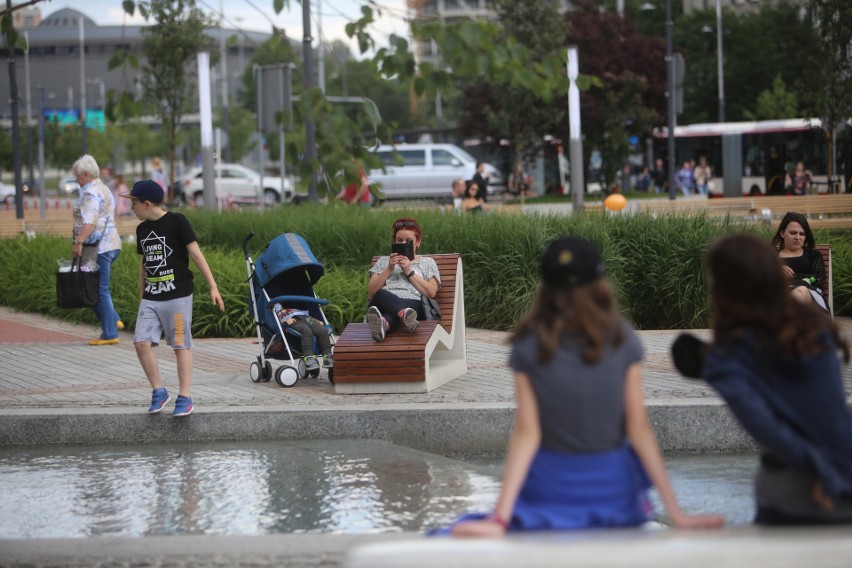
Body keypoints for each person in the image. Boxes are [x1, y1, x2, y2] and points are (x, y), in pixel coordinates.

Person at [449, 237, 724, 537]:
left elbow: (527, 434)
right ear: (600, 283)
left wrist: (500, 518)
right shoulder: (621, 337)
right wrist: (676, 514)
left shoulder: (529, 343)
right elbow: (638, 428)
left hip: (550, 492)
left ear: (545, 288)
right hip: (613, 494)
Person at [677, 233, 852, 525]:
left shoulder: (727, 356)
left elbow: (768, 428)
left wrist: (823, 473)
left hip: (799, 490)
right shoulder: (810, 326)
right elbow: (831, 412)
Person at [121, 180, 225, 417]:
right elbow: (144, 265)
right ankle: (159, 391)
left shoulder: (178, 221)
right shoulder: (142, 230)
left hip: (177, 297)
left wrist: (213, 286)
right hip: (151, 298)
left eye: (134, 203)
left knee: (180, 345)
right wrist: (141, 298)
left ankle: (185, 396)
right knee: (140, 342)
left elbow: (197, 255)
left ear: (147, 204)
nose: (132, 208)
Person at [70, 154, 124, 345]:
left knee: (96, 289)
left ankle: (110, 333)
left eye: (77, 175)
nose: (76, 178)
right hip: (112, 244)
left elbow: (90, 222)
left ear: (85, 174)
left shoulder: (90, 192)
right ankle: (113, 319)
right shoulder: (104, 188)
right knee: (93, 288)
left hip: (98, 248)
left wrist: (78, 243)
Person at [365, 218, 441, 342]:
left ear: (418, 242)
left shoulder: (427, 262)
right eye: (399, 240)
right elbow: (371, 293)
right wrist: (389, 268)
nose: (403, 244)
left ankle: (383, 326)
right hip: (382, 302)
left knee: (398, 311)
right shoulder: (383, 262)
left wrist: (409, 272)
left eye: (408, 241)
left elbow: (431, 292)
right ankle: (402, 313)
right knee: (381, 293)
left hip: (413, 304)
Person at [771, 212, 829, 313]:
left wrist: (788, 278)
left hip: (809, 296)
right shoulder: (771, 255)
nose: (798, 237)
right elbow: (761, 278)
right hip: (778, 295)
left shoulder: (813, 255)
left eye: (802, 234)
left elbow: (818, 279)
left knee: (800, 291)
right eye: (793, 233)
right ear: (782, 233)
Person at [272, 302, 333, 370]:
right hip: (293, 320)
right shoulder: (277, 307)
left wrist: (317, 321)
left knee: (322, 331)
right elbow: (278, 315)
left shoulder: (295, 309)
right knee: (306, 331)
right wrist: (286, 320)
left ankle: (327, 356)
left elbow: (307, 315)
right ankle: (308, 357)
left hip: (307, 318)